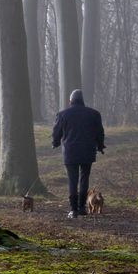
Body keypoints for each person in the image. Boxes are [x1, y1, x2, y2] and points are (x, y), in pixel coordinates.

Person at [52, 89, 105, 219]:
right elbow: (99, 132)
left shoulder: (63, 114)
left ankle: (73, 209)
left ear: (70, 101)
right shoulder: (94, 114)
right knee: (84, 179)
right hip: (87, 151)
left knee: (72, 180)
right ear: (82, 100)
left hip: (70, 152)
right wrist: (100, 145)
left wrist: (55, 142)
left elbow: (56, 131)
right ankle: (82, 208)